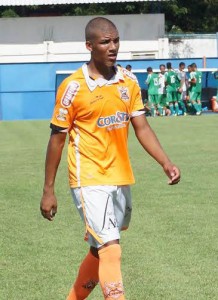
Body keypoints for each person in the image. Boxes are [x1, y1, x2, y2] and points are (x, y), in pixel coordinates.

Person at [40, 17, 180, 300]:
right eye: (105, 42)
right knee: (111, 248)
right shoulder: (73, 87)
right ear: (89, 46)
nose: (113, 46)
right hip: (88, 178)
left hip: (119, 177)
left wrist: (165, 162)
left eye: (116, 40)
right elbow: (57, 139)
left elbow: (141, 126)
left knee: (98, 249)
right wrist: (48, 190)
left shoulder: (128, 81)